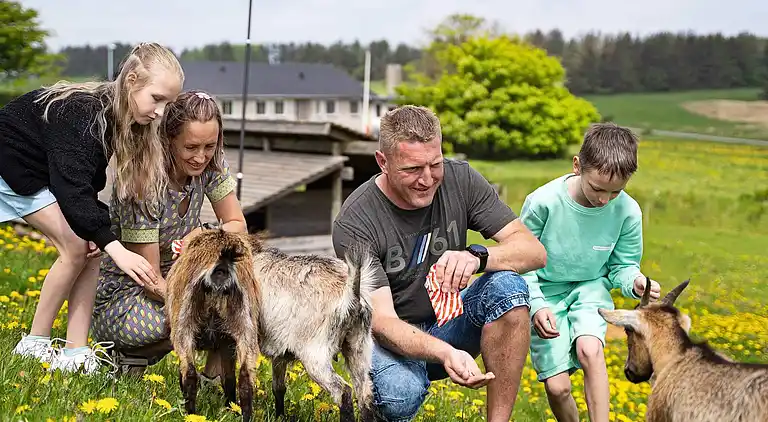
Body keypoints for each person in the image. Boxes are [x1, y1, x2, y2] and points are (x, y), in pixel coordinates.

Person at [332, 105, 547, 422]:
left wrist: (477, 257)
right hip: (388, 341)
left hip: (450, 321)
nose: (427, 179)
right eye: (412, 169)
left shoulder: (461, 179)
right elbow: (383, 322)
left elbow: (533, 251)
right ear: (383, 162)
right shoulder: (355, 222)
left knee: (509, 288)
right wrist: (445, 353)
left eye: (435, 164)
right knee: (400, 395)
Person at [0, 42, 184, 374]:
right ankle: (34, 344)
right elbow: (72, 188)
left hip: (42, 174)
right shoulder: (82, 113)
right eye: (156, 98)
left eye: (167, 104)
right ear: (131, 81)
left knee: (90, 247)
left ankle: (76, 351)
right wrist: (118, 249)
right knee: (75, 246)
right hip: (10, 165)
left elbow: (85, 182)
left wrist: (99, 237)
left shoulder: (116, 119)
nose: (160, 112)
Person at [91, 90, 245, 377]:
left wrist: (203, 234)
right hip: (128, 293)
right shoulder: (144, 183)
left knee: (238, 308)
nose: (201, 157)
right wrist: (205, 304)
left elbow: (237, 224)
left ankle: (213, 382)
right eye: (191, 147)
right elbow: (150, 280)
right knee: (211, 318)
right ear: (167, 140)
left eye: (210, 146)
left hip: (179, 282)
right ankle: (127, 354)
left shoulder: (212, 163)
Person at [518, 123, 662, 422]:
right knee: (557, 388)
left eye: (616, 191)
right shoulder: (543, 202)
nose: (604, 200)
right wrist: (537, 305)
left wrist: (635, 282)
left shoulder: (628, 211)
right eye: (597, 188)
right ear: (577, 166)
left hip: (590, 288)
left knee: (590, 350)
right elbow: (520, 261)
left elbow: (623, 266)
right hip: (545, 292)